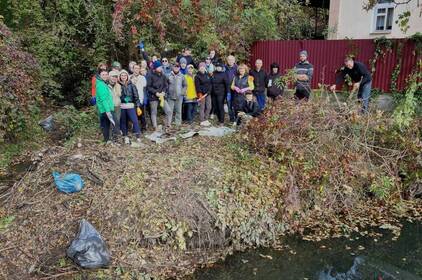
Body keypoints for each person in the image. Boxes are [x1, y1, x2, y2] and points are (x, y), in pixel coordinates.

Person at [119, 70, 141, 144]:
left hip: (130, 106)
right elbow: (118, 96)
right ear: (120, 77)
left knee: (135, 121)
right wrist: (124, 99)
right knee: (123, 122)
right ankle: (125, 136)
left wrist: (138, 106)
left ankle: (138, 136)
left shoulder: (132, 85)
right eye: (122, 75)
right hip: (122, 106)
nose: (123, 77)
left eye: (125, 75)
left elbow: (136, 96)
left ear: (127, 76)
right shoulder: (118, 85)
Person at [147, 60, 169, 131]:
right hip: (153, 96)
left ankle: (167, 125)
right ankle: (155, 126)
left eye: (161, 67)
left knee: (168, 110)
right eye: (159, 67)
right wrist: (156, 93)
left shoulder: (163, 76)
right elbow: (148, 87)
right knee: (154, 112)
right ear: (155, 68)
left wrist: (164, 92)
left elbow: (166, 85)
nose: (160, 68)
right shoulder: (150, 75)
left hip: (162, 96)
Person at [95, 70, 116, 143]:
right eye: (103, 74)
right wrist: (108, 111)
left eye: (106, 74)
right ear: (100, 76)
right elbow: (103, 99)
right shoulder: (100, 85)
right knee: (114, 124)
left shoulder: (103, 83)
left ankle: (106, 140)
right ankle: (113, 140)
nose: (105, 76)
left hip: (105, 109)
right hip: (106, 109)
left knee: (106, 125)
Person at [130, 64, 148, 131]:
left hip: (140, 98)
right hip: (132, 99)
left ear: (139, 69)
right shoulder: (129, 77)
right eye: (135, 68)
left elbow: (144, 86)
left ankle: (143, 127)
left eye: (138, 68)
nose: (136, 70)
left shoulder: (142, 77)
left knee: (142, 114)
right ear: (133, 69)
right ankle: (135, 128)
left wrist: (137, 81)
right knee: (134, 115)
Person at [108, 70, 122, 135]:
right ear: (109, 77)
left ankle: (115, 135)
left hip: (118, 106)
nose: (114, 78)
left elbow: (120, 95)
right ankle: (111, 136)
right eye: (113, 76)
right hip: (110, 106)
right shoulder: (106, 86)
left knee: (117, 121)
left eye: (116, 77)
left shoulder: (118, 85)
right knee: (111, 122)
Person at [225, 55, 238, 122]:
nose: (230, 61)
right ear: (227, 60)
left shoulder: (237, 68)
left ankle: (237, 118)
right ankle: (231, 119)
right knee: (229, 104)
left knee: (235, 104)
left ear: (234, 60)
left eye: (232, 60)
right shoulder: (224, 68)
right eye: (229, 60)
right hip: (227, 91)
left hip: (236, 90)